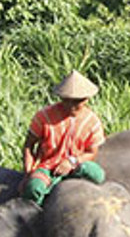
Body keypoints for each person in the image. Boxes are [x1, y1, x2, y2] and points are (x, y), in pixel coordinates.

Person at [21, 71, 108, 205]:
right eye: (67, 100)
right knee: (34, 189)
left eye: (77, 101)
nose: (71, 106)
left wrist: (72, 161)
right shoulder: (44, 117)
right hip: (48, 167)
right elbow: (29, 145)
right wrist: (28, 172)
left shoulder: (92, 121)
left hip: (76, 166)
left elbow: (92, 152)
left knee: (97, 174)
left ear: (86, 99)